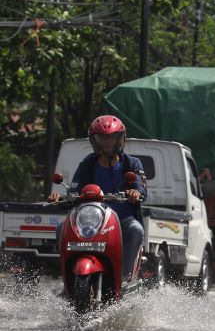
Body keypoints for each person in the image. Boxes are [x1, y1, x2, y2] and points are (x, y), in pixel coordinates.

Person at [48, 115, 147, 282]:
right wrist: (60, 198)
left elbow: (140, 188)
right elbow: (74, 190)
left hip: (123, 220)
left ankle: (124, 276)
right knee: (61, 228)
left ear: (120, 138)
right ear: (94, 139)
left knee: (136, 230)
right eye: (102, 137)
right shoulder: (88, 163)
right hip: (92, 220)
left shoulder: (132, 164)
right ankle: (68, 275)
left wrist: (135, 193)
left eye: (111, 137)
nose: (107, 141)